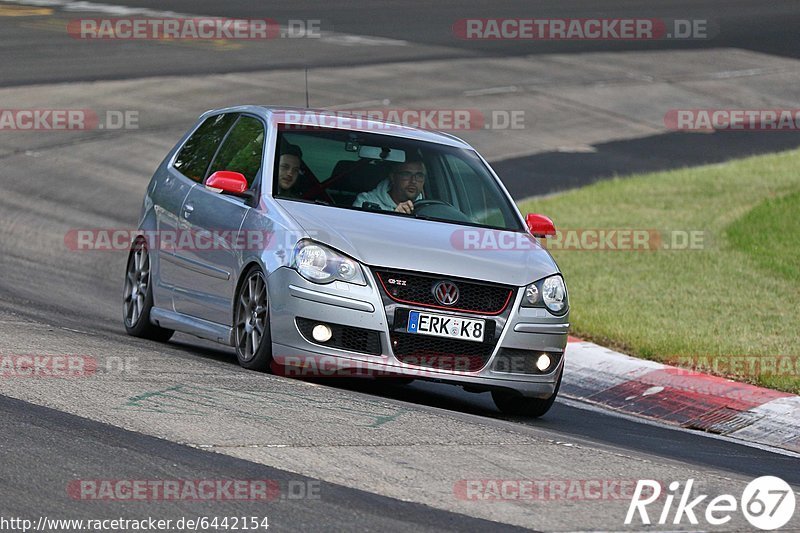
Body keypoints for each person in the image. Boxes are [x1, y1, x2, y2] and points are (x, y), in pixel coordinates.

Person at [353, 158, 426, 213]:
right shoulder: (366, 202)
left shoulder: (428, 207)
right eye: (406, 174)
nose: (413, 181)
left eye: (419, 176)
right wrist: (395, 216)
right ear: (393, 177)